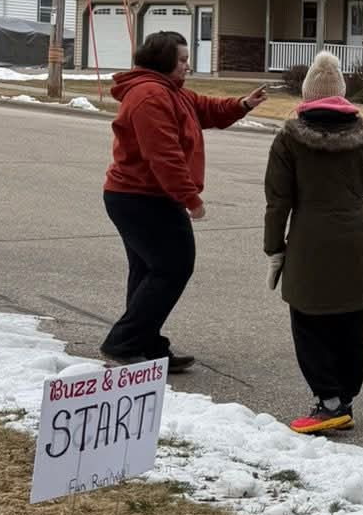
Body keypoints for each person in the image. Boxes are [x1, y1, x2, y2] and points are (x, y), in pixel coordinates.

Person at [102, 30, 265, 369]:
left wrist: (243, 105)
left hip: (143, 196)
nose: (187, 66)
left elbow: (206, 108)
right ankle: (123, 343)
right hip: (141, 198)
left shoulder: (171, 92)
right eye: (182, 60)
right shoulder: (149, 95)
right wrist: (190, 198)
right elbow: (163, 155)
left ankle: (145, 345)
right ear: (163, 60)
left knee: (149, 270)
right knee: (173, 267)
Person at [263, 52, 363, 434]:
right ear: (341, 93)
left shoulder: (288, 139)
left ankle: (328, 401)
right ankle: (344, 398)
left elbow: (278, 201)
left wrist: (274, 248)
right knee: (351, 319)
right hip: (354, 240)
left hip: (308, 241)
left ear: (307, 93)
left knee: (308, 321)